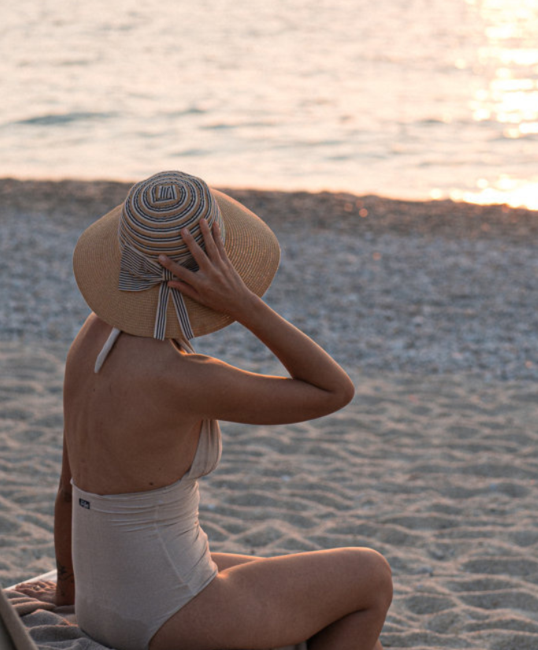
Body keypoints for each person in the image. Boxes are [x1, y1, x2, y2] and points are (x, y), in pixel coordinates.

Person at [53, 171, 392, 650]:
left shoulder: (89, 343)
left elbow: (68, 490)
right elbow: (333, 390)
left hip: (98, 602)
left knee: (292, 583)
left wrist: (66, 593)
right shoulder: (182, 377)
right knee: (368, 573)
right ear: (215, 274)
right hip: (165, 617)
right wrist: (246, 305)